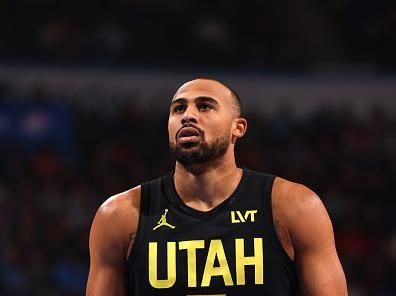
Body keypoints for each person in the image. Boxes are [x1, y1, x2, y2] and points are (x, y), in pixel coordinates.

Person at [86, 78, 348, 295]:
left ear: (238, 128)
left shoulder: (293, 206)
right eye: (178, 109)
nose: (188, 115)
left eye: (205, 106)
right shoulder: (119, 215)